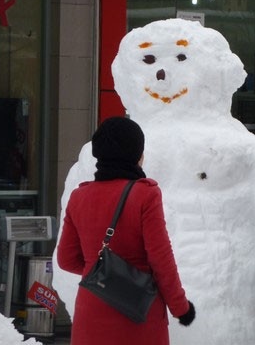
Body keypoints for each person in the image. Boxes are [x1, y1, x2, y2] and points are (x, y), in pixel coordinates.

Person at [57, 117, 195, 345]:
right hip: (138, 313)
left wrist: (102, 269)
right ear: (137, 154)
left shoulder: (79, 197)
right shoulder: (145, 195)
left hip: (90, 313)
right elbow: (161, 259)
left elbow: (66, 260)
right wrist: (181, 308)